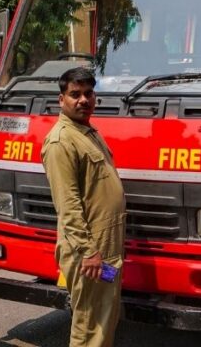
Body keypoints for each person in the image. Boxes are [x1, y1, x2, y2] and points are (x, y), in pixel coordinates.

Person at [42, 67, 125, 346]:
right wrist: (89, 252)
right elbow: (68, 206)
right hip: (89, 252)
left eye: (88, 93)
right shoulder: (61, 141)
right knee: (89, 327)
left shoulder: (87, 131)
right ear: (61, 99)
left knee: (103, 320)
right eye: (75, 94)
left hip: (105, 249)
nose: (83, 100)